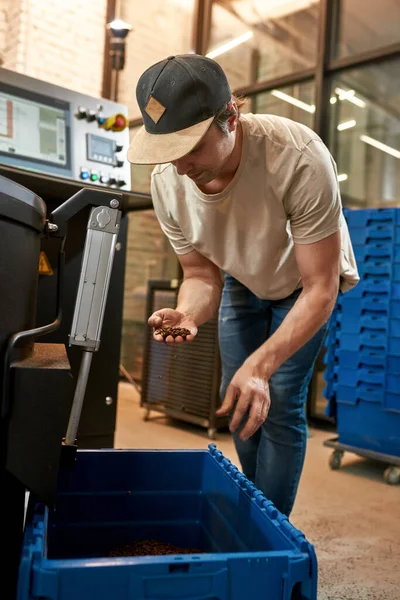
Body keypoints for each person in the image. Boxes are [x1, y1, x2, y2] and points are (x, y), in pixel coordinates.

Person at [127, 54, 359, 517]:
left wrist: (262, 365)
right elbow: (199, 274)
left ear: (229, 117)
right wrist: (188, 313)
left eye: (190, 146)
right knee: (237, 399)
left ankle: (268, 534)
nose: (179, 166)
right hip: (242, 275)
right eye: (168, 150)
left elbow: (320, 288)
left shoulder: (297, 155)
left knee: (277, 405)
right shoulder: (168, 183)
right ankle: (250, 513)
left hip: (302, 283)